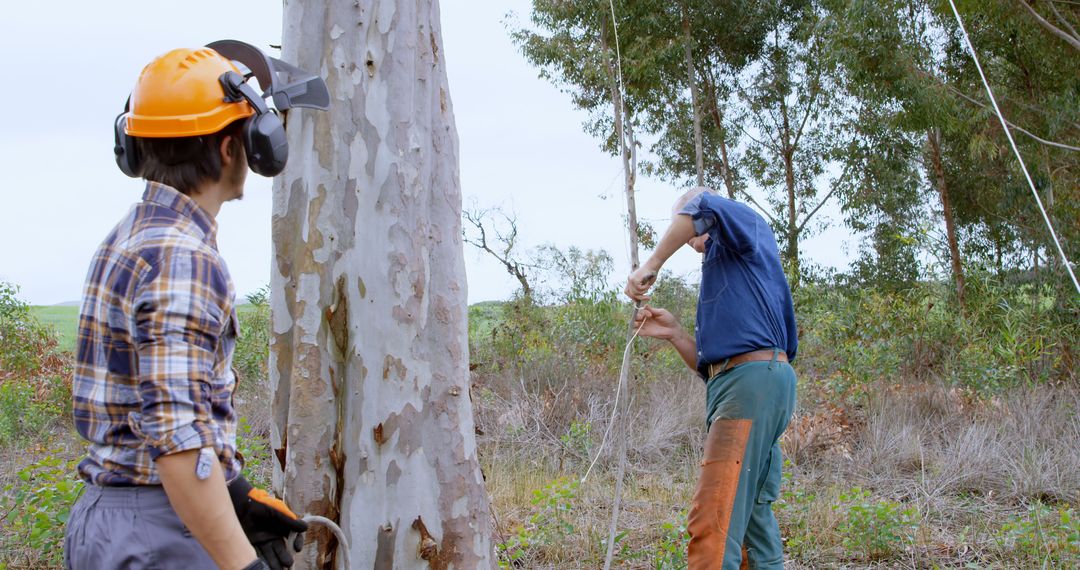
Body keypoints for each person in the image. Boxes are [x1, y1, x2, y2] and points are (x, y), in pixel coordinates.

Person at [66, 45, 312, 570]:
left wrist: (236, 494)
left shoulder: (129, 237)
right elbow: (177, 444)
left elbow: (143, 407)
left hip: (111, 519)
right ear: (233, 147)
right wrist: (240, 563)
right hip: (159, 531)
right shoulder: (184, 257)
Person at [625, 187, 798, 570]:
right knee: (752, 519)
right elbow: (714, 368)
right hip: (753, 382)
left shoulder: (743, 223)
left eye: (686, 232)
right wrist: (675, 334)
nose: (691, 244)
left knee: (714, 518)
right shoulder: (732, 271)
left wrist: (651, 263)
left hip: (753, 383)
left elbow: (701, 210)